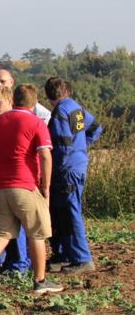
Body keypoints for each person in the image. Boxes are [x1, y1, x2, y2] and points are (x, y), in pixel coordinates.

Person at [0, 85, 63, 297]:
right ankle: (40, 280)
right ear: (33, 103)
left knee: (3, 232)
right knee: (37, 233)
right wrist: (46, 187)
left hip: (0, 188)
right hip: (25, 186)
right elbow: (45, 156)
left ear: (14, 100)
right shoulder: (36, 122)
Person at [44, 77, 103, 273]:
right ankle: (67, 255)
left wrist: (53, 171)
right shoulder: (76, 108)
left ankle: (83, 259)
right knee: (62, 212)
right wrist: (82, 147)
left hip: (66, 170)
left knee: (70, 212)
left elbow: (62, 145)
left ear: (48, 95)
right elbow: (96, 127)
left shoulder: (60, 111)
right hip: (77, 165)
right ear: (67, 91)